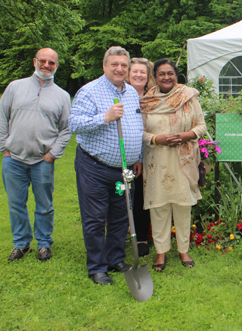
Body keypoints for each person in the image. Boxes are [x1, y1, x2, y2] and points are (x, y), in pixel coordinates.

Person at [69, 46, 144, 285]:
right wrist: (105, 117)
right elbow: (74, 124)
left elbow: (136, 126)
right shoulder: (89, 91)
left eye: (123, 65)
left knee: (121, 215)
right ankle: (97, 267)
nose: (119, 69)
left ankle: (115, 258)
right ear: (104, 66)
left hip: (125, 168)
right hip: (95, 167)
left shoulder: (131, 92)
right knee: (95, 217)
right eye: (114, 64)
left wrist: (138, 155)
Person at [0, 48, 71, 262]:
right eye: (43, 61)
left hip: (42, 161)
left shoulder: (62, 96)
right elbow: (1, 119)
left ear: (56, 65)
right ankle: (21, 243)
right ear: (34, 62)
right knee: (16, 204)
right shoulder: (15, 87)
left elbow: (66, 128)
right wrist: (5, 148)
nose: (46, 65)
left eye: (51, 62)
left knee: (44, 204)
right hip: (14, 160)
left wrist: (53, 154)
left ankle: (44, 243)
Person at [139, 59, 206, 271]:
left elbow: (201, 126)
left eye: (170, 73)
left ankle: (183, 249)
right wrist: (157, 139)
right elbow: (137, 132)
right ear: (155, 77)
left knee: (183, 205)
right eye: (161, 74)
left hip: (183, 160)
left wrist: (187, 135)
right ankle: (161, 252)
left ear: (176, 75)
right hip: (156, 160)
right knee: (158, 206)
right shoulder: (146, 101)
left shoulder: (188, 97)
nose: (166, 77)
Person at [126, 57, 156, 257]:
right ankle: (121, 233)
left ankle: (142, 237)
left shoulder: (152, 98)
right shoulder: (123, 96)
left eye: (142, 72)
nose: (138, 75)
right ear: (128, 75)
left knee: (143, 196)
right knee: (123, 193)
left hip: (150, 153)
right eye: (134, 71)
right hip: (126, 154)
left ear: (148, 77)